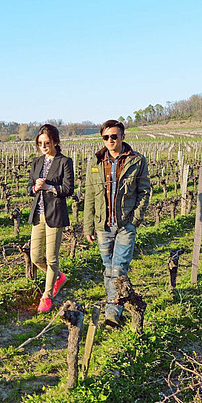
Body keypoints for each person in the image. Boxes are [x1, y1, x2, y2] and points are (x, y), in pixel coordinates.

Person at [83, 119, 151, 326]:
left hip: (125, 224)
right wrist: (88, 226)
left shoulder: (137, 161)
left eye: (114, 136)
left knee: (119, 268)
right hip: (103, 224)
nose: (110, 140)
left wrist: (135, 219)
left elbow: (145, 191)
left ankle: (112, 312)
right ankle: (117, 303)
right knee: (108, 267)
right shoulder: (95, 162)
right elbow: (89, 196)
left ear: (122, 136)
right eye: (106, 137)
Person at [27, 123, 75, 312]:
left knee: (51, 258)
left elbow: (68, 189)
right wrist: (35, 188)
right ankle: (58, 277)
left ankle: (47, 296)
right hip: (38, 214)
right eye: (40, 143)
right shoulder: (37, 162)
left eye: (47, 142)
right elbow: (28, 187)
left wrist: (49, 187)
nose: (44, 146)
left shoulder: (64, 161)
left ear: (55, 141)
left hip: (55, 214)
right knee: (35, 256)